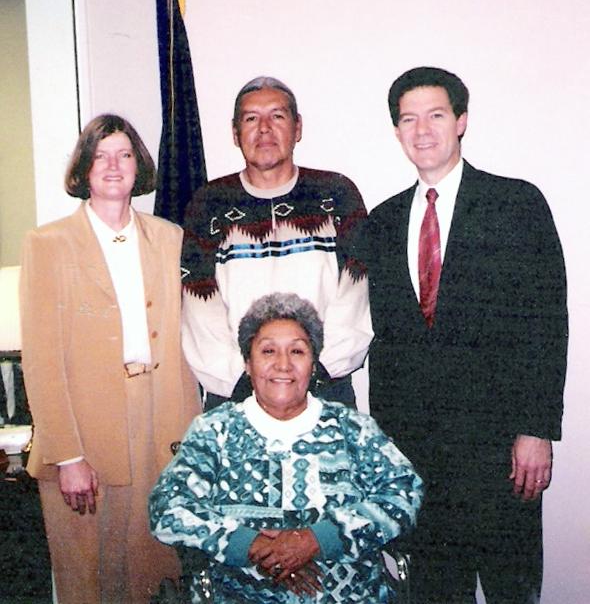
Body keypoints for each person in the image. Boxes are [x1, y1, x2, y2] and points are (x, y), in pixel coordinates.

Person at [358, 66, 568, 604]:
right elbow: (387, 344)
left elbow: (546, 324)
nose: (422, 130)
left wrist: (536, 430)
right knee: (432, 592)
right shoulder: (381, 222)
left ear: (461, 121)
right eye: (408, 119)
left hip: (501, 451)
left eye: (435, 115)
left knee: (510, 591)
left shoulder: (516, 204)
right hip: (418, 455)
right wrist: (386, 450)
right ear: (397, 131)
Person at [20, 114, 201, 604]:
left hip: (159, 420)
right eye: (100, 156)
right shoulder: (48, 244)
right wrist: (68, 454)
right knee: (89, 579)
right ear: (84, 169)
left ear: (138, 164)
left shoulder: (169, 238)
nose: (113, 165)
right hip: (84, 429)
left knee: (153, 571)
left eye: (123, 154)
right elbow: (40, 359)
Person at [150, 292, 423, 603]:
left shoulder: (353, 429)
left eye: (297, 351)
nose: (283, 365)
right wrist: (254, 546)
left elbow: (405, 492)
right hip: (241, 594)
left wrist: (315, 541)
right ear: (248, 364)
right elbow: (167, 508)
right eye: (268, 351)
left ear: (313, 364)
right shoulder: (214, 431)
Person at [181, 76, 372, 409]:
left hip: (325, 392)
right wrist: (241, 380)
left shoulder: (336, 194)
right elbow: (199, 306)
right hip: (236, 397)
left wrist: (315, 371)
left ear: (297, 128)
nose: (264, 128)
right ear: (235, 132)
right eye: (251, 118)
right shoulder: (209, 203)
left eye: (277, 116)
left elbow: (358, 296)